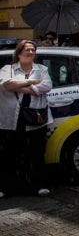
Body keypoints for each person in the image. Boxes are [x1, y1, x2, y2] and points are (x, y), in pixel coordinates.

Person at [0, 40, 53, 198]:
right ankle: (5, 187)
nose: (31, 52)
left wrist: (20, 87)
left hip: (35, 119)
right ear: (19, 52)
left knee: (36, 154)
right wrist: (31, 82)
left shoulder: (42, 69)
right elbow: (6, 85)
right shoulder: (7, 69)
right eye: (27, 49)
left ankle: (39, 185)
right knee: (9, 155)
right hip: (11, 119)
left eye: (33, 49)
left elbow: (47, 86)